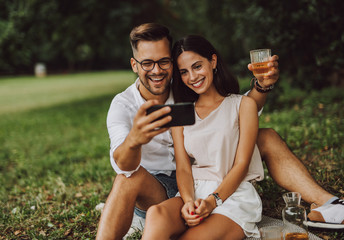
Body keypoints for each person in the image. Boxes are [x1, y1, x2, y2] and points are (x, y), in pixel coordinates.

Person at [96, 23, 342, 240]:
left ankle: (328, 203)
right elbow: (124, 165)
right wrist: (135, 140)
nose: (157, 71)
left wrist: (261, 85)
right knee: (127, 179)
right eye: (147, 63)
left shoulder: (182, 87)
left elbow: (231, 114)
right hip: (161, 188)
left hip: (209, 180)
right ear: (134, 65)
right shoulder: (124, 105)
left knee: (265, 135)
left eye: (163, 62)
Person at [142, 34, 265, 239]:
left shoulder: (243, 105)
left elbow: (242, 164)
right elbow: (182, 166)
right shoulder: (181, 113)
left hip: (231, 196)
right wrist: (189, 200)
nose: (192, 77)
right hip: (194, 192)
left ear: (213, 61)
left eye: (197, 66)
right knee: (156, 213)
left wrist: (212, 201)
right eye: (184, 72)